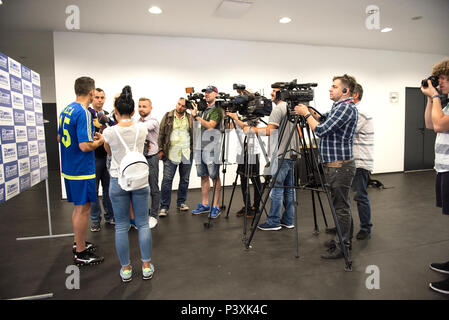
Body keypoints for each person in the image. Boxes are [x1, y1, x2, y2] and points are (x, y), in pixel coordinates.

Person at [295, 74, 358, 259]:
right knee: (342, 205)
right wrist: (311, 112)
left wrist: (306, 114)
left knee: (341, 207)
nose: (330, 89)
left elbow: (321, 130)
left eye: (334, 87)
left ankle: (343, 246)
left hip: (340, 167)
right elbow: (323, 119)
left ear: (345, 91)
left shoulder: (346, 108)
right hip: (336, 166)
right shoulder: (338, 107)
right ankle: (343, 239)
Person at [103, 86, 154, 282]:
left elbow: (109, 153)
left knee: (121, 226)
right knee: (142, 223)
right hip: (140, 179)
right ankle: (146, 265)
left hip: (118, 180)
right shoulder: (141, 127)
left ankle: (126, 269)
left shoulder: (109, 132)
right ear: (133, 111)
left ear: (115, 111)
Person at [230, 86, 297, 230]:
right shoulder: (293, 107)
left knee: (276, 189)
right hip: (291, 153)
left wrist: (252, 130)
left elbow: (269, 131)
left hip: (279, 154)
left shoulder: (278, 109)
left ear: (281, 93)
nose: (271, 94)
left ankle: (273, 222)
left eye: (274, 91)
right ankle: (288, 220)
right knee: (289, 189)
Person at [57, 76, 105, 266]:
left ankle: (79, 243)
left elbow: (60, 137)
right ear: (92, 92)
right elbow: (85, 146)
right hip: (81, 168)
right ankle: (81, 252)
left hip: (69, 166)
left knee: (80, 208)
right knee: (83, 209)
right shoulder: (84, 112)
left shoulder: (66, 109)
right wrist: (100, 141)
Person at [422, 58, 449, 295]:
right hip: (443, 169)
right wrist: (432, 98)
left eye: (443, 79)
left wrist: (437, 97)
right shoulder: (445, 103)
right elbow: (430, 123)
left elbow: (440, 126)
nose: (439, 82)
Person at [191, 85, 223, 218]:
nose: (206, 94)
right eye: (205, 92)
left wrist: (197, 117)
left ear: (216, 94)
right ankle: (205, 204)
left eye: (210, 92)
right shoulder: (204, 110)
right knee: (203, 176)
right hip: (199, 147)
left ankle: (216, 206)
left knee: (214, 177)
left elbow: (211, 126)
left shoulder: (217, 110)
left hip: (211, 148)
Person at [158, 98, 193, 215]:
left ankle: (181, 203)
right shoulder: (168, 116)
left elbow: (195, 132)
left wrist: (192, 147)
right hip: (171, 153)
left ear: (186, 107)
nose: (180, 107)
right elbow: (161, 133)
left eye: (183, 106)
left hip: (186, 153)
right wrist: (160, 150)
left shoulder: (190, 118)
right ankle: (164, 206)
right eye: (179, 104)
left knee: (185, 179)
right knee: (167, 180)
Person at [226, 114, 262, 218]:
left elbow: (246, 128)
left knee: (255, 179)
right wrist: (228, 116)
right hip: (240, 151)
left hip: (252, 150)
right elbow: (228, 128)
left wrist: (236, 118)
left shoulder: (253, 111)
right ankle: (247, 205)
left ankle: (256, 207)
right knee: (243, 178)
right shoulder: (239, 113)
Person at [90, 88, 115, 232]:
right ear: (92, 98)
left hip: (107, 156)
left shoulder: (107, 116)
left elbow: (113, 132)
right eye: (97, 97)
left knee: (108, 189)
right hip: (93, 157)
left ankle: (110, 216)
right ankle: (95, 220)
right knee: (93, 191)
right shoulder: (86, 114)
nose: (99, 100)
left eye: (102, 97)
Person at [351, 83, 374, 240]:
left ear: (355, 95)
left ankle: (366, 227)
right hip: (350, 162)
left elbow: (347, 132)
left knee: (360, 195)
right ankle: (345, 225)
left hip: (360, 162)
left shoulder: (361, 113)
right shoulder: (353, 111)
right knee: (343, 197)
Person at [137, 97, 161, 229]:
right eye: (140, 106)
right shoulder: (137, 122)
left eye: (144, 106)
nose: (141, 109)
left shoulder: (153, 121)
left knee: (153, 188)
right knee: (142, 188)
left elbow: (142, 128)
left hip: (151, 158)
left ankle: (154, 216)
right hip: (141, 158)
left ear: (150, 108)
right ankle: (144, 215)